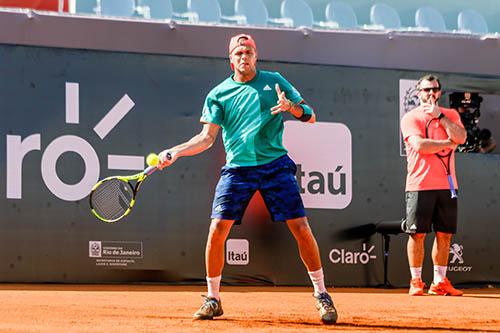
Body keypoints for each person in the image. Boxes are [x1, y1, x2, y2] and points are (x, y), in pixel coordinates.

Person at [157, 34, 337, 324]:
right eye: (239, 52)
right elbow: (206, 138)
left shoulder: (275, 81)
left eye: (249, 52)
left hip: (275, 165)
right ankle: (213, 299)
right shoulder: (218, 94)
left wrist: (292, 108)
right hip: (238, 169)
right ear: (231, 59)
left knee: (301, 228)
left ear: (256, 56)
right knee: (217, 230)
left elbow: (311, 116)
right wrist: (175, 152)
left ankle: (321, 294)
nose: (244, 56)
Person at [400, 74, 467, 296]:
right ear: (418, 92)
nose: (431, 93)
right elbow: (420, 145)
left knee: (445, 234)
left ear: (439, 92)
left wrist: (441, 118)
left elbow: (462, 137)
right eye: (426, 90)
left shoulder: (451, 114)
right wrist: (448, 143)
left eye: (435, 89)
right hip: (419, 185)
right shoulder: (410, 118)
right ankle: (416, 281)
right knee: (417, 235)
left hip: (447, 186)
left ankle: (439, 282)